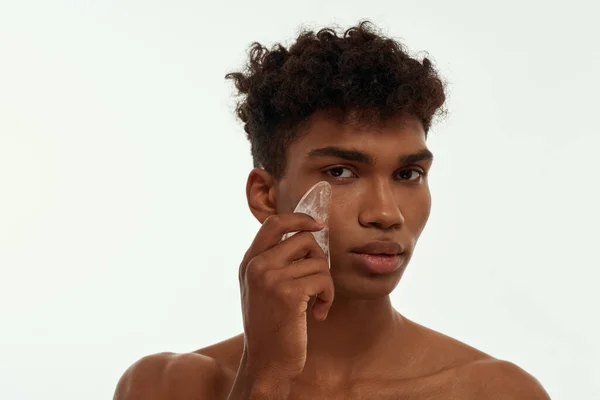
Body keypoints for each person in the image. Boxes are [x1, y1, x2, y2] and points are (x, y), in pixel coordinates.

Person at [113, 21, 550, 399]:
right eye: (341, 172)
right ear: (265, 195)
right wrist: (264, 380)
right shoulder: (166, 387)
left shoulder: (496, 392)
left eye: (408, 174)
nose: (385, 214)